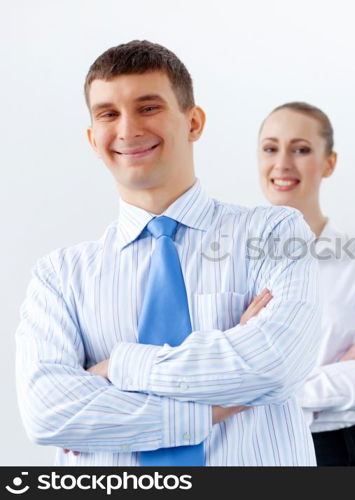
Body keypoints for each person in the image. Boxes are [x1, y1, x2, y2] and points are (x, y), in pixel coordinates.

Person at [15, 40, 322, 466]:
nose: (127, 130)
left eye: (148, 107)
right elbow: (49, 412)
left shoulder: (274, 232)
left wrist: (116, 367)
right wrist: (209, 408)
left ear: (194, 122)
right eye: (108, 114)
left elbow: (277, 364)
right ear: (92, 137)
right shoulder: (60, 276)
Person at [257, 102, 355, 466]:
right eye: (270, 148)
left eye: (301, 149)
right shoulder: (234, 260)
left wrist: (278, 390)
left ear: (329, 162)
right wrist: (335, 374)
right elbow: (216, 374)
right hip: (258, 449)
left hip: (346, 451)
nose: (282, 164)